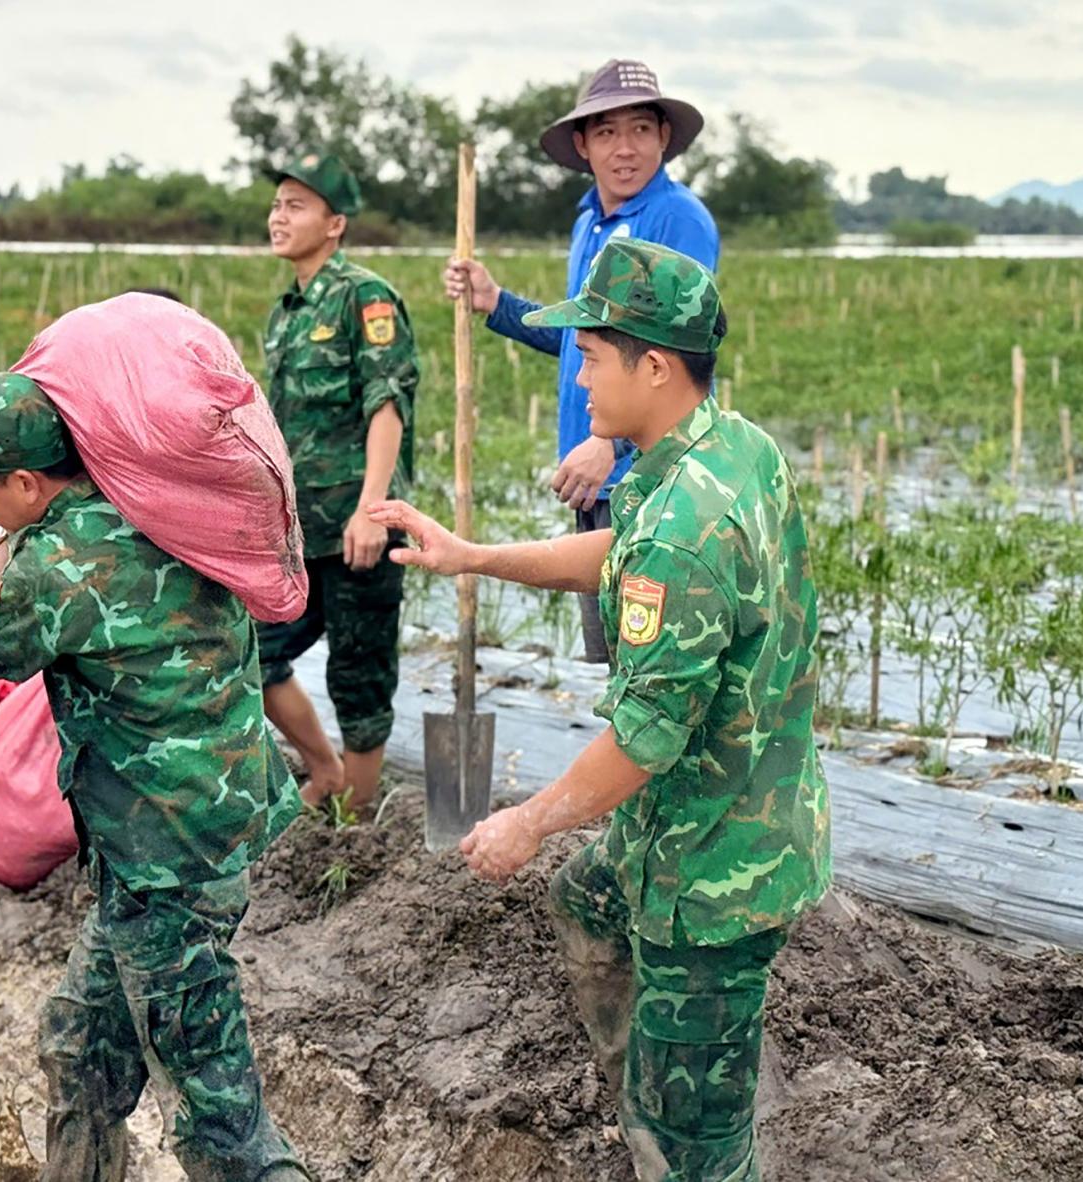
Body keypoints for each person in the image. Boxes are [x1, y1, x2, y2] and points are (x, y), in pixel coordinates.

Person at [375, 239, 830, 1181]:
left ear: (654, 367)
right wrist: (471, 554)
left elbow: (641, 744)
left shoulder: (685, 533)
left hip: (713, 873)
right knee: (583, 898)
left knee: (694, 1153)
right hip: (732, 810)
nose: (576, 377)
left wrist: (526, 822)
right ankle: (649, 1088)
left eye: (589, 355)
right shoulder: (726, 449)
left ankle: (676, 1118)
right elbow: (617, 551)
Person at [0, 373, 308, 1181]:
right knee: (79, 1046)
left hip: (168, 854)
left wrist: (4, 549)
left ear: (26, 484)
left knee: (218, 1116)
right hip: (186, 834)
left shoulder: (56, 563)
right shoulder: (153, 505)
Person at [444, 58, 718, 664]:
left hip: (653, 477)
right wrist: (499, 304)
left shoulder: (677, 221)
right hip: (600, 483)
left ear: (664, 137)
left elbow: (678, 355)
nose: (626, 149)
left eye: (641, 130)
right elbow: (586, 343)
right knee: (623, 668)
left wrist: (612, 445)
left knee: (659, 671)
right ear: (582, 144)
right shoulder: (589, 219)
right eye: (607, 132)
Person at [260, 151, 419, 812]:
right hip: (301, 530)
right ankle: (325, 771)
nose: (278, 217)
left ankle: (355, 823)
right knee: (254, 655)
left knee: (359, 675)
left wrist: (372, 509)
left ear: (335, 224)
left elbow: (387, 406)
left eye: (296, 205)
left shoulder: (364, 296)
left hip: (357, 525)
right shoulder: (287, 312)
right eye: (276, 204)